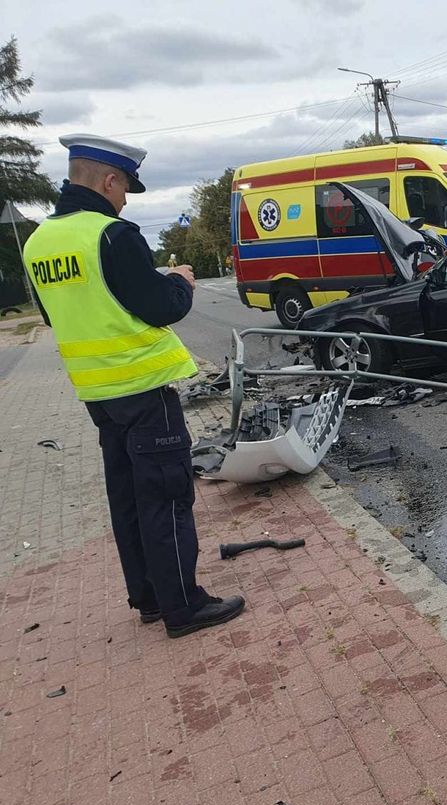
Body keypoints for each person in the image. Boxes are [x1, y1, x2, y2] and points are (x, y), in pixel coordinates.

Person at [22, 134, 244, 639]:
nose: (124, 200)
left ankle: (148, 597)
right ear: (109, 180)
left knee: (126, 497)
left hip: (98, 396)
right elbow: (161, 307)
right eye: (125, 190)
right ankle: (184, 606)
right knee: (165, 496)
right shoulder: (112, 235)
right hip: (144, 389)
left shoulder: (39, 242)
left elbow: (60, 315)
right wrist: (181, 281)